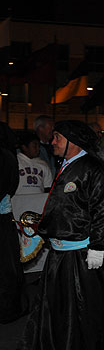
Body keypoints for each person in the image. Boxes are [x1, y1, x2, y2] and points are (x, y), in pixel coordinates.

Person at [17, 120, 104, 350]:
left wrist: (99, 246)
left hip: (83, 253)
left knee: (86, 307)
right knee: (57, 307)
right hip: (60, 254)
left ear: (72, 141)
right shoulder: (66, 165)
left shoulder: (93, 169)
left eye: (57, 138)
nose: (52, 142)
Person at [0, 121, 23, 324]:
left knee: (6, 265)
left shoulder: (5, 157)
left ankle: (8, 307)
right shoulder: (9, 156)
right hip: (4, 214)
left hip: (2, 215)